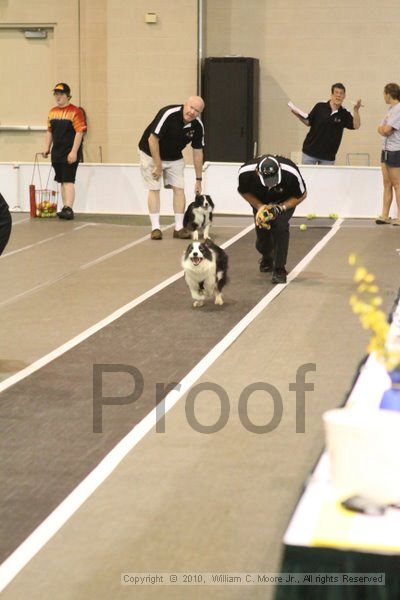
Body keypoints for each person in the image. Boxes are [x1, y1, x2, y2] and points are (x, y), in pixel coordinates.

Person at [138, 96, 205, 240]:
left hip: (174, 156)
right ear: (185, 105)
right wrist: (158, 165)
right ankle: (155, 228)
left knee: (179, 188)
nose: (192, 112)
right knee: (154, 188)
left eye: (196, 111)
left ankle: (179, 228)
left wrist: (199, 179)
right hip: (150, 153)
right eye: (191, 107)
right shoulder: (168, 114)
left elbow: (198, 152)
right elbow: (152, 139)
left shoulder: (197, 126)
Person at [238, 154, 307, 284]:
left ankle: (279, 269)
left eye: (274, 178)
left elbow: (302, 195)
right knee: (263, 236)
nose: (273, 182)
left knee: (280, 227)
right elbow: (244, 191)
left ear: (279, 169)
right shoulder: (245, 173)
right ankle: (266, 256)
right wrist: (260, 206)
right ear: (258, 173)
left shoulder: (291, 172)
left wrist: (280, 208)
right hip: (260, 201)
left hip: (284, 201)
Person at [42, 83, 87, 220]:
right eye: (56, 94)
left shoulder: (75, 111)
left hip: (70, 152)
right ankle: (65, 207)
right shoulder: (52, 112)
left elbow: (79, 132)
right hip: (57, 153)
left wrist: (74, 152)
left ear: (68, 96)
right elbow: (49, 131)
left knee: (68, 180)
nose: (58, 96)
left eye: (61, 94)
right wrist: (47, 148)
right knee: (62, 180)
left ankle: (69, 208)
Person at [291, 83, 362, 164]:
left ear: (344, 96)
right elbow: (308, 122)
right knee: (307, 177)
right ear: (331, 95)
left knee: (326, 177)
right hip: (309, 153)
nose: (338, 95)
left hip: (328, 157)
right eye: (336, 92)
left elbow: (356, 126)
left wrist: (356, 110)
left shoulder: (344, 113)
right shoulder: (320, 106)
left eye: (341, 93)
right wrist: (298, 115)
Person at [376, 83, 400, 226]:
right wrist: (383, 129)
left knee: (397, 184)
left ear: (389, 94)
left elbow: (386, 130)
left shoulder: (398, 110)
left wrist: (383, 129)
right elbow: (382, 129)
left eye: (384, 93)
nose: (383, 96)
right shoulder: (390, 110)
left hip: (395, 150)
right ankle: (384, 215)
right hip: (385, 150)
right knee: (387, 183)